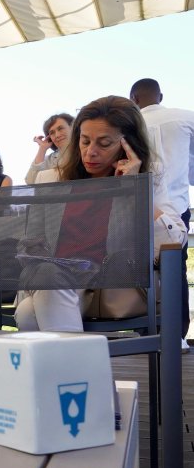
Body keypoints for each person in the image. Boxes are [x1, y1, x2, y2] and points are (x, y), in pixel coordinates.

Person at [15, 96, 186, 332]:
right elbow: (29, 243)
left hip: (111, 289)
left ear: (128, 144)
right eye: (84, 141)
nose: (90, 152)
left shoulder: (147, 178)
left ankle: (79, 357)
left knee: (28, 313)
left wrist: (135, 190)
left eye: (104, 143)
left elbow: (173, 242)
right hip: (55, 281)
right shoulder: (50, 179)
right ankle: (84, 357)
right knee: (46, 282)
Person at [130, 78, 194, 353]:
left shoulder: (129, 124)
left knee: (137, 268)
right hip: (176, 208)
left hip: (135, 206)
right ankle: (176, 335)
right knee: (175, 270)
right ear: (161, 96)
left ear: (133, 99)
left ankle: (143, 331)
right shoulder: (186, 118)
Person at [25, 113, 74, 184]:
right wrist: (42, 149)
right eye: (52, 133)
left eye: (60, 128)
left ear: (72, 127)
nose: (57, 135)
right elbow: (30, 181)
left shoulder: (83, 151)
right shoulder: (49, 159)